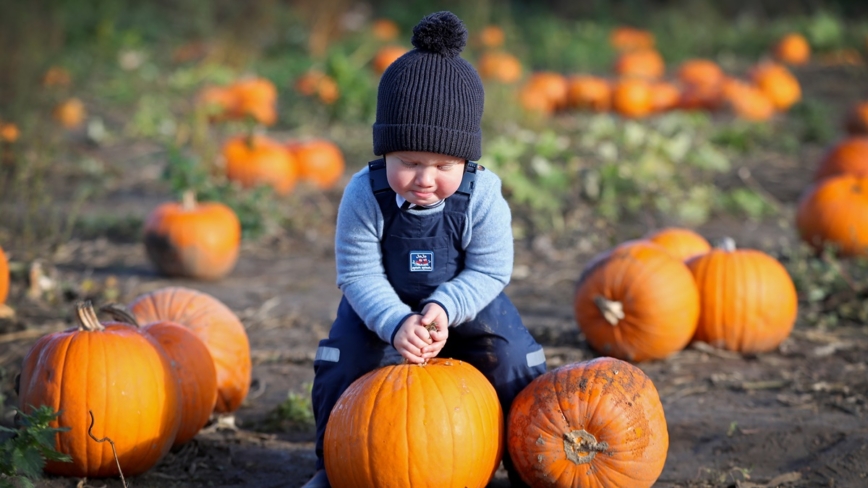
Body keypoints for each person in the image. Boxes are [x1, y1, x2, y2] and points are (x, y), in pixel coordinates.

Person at [303, 11, 546, 488]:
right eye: (409, 162)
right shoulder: (364, 194)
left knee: (516, 356)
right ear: (385, 153)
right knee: (341, 359)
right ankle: (333, 466)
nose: (425, 179)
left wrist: (444, 305)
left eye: (443, 165)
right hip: (381, 304)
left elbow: (492, 269)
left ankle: (526, 464)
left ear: (466, 159)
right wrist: (395, 323)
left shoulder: (481, 194)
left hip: (466, 300)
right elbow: (356, 275)